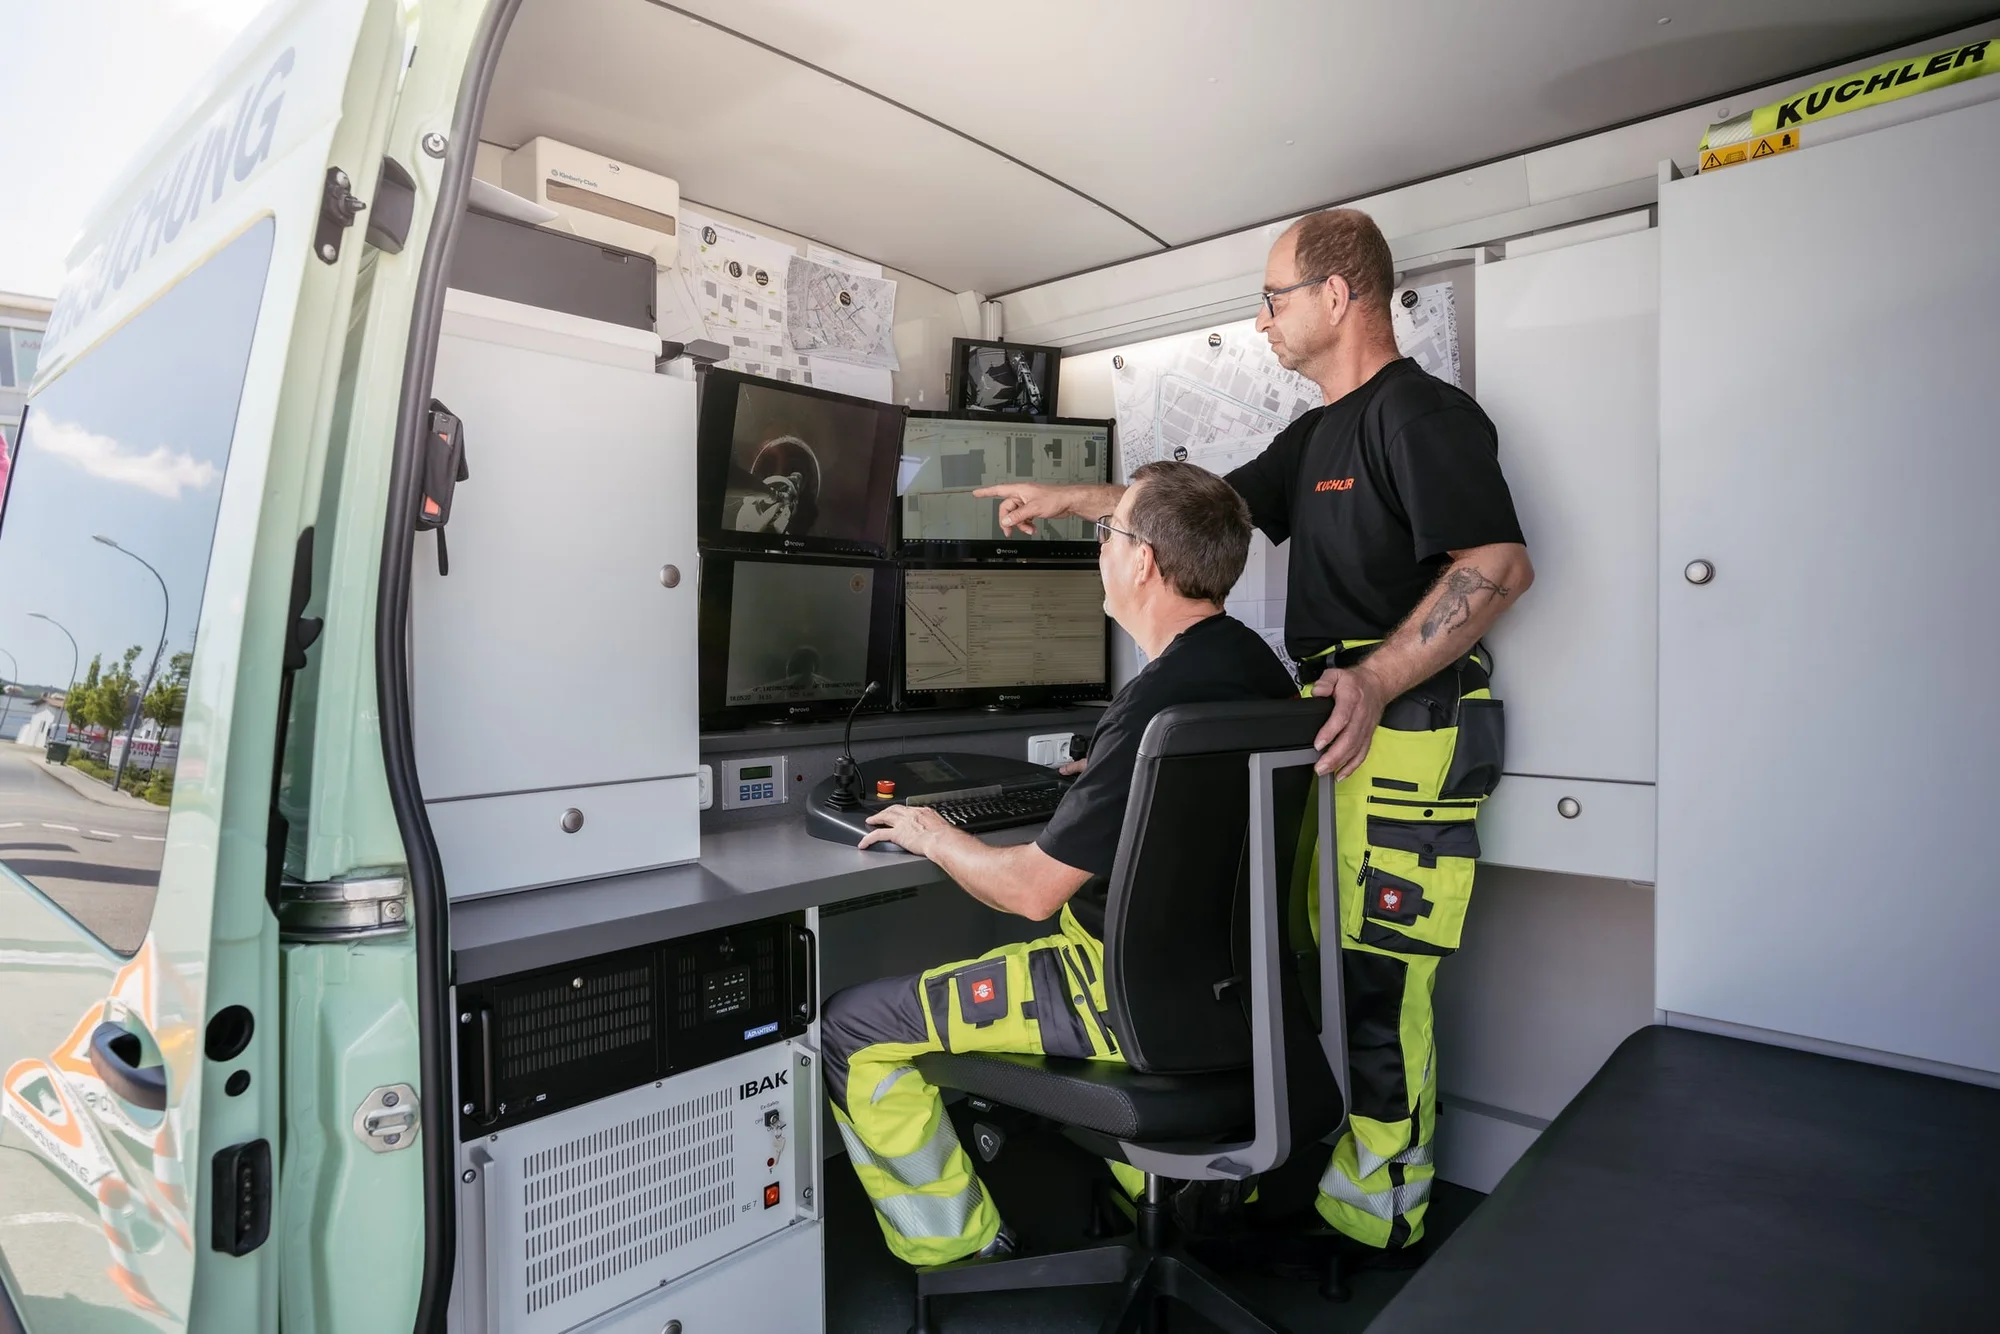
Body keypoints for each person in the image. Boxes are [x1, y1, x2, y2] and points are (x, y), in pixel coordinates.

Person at [973, 207, 1533, 1261]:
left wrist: (1367, 675)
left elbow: (1495, 563)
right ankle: (1328, 1189)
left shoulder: (1418, 416)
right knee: (1318, 963)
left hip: (1403, 722)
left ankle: (1383, 1220)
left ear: (1337, 294)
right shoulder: (1320, 429)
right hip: (1337, 720)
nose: (1261, 317)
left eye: (1272, 296)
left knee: (1377, 981)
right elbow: (1210, 511)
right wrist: (1079, 502)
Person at [821, 461, 1298, 1266]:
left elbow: (1033, 892)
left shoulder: (1153, 706)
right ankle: (1181, 1211)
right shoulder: (1256, 671)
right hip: (1233, 996)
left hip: (1108, 995)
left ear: (1142, 561)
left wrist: (936, 833)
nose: (1101, 550)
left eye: (1108, 533)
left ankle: (960, 1252)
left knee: (853, 1027)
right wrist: (1108, 776)